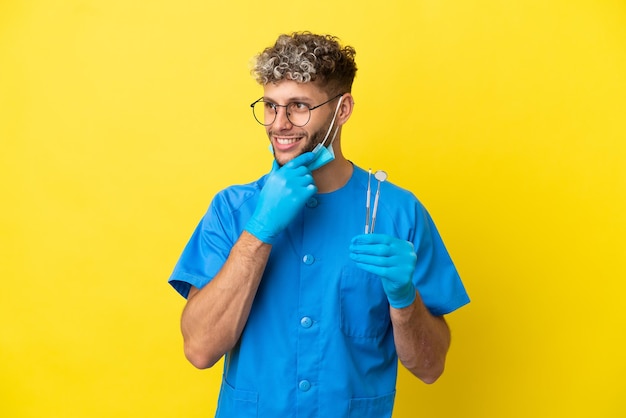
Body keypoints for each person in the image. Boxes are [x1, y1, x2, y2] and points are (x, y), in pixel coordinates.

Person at [168, 32, 470, 418]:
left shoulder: (398, 213)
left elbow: (430, 368)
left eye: (298, 106)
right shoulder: (233, 209)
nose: (279, 124)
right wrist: (259, 230)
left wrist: (404, 297)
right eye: (271, 106)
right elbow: (199, 350)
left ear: (342, 109)